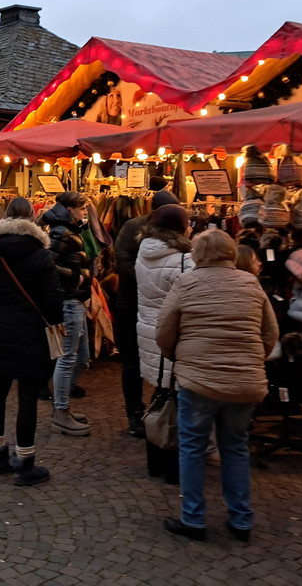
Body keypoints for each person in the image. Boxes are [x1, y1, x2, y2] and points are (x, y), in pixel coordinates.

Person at [156, 230, 279, 542]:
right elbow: (270, 332)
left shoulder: (186, 283)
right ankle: (241, 519)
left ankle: (193, 518)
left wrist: (179, 358)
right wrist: (253, 360)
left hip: (198, 380)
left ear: (197, 255)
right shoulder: (251, 284)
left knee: (192, 448)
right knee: (235, 447)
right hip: (245, 382)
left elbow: (164, 332)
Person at [0, 197, 64, 485]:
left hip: (1, 327)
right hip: (31, 331)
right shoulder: (41, 255)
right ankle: (26, 462)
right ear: (32, 217)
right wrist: (54, 320)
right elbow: (53, 299)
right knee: (27, 396)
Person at [112, 180, 176, 437]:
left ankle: (157, 408)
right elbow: (122, 263)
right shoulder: (133, 228)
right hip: (131, 304)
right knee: (132, 362)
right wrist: (151, 276)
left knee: (164, 360)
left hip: (160, 305)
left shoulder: (174, 231)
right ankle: (134, 413)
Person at [135, 203, 192, 481]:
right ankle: (174, 467)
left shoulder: (144, 250)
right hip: (174, 335)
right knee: (178, 402)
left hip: (149, 331)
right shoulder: (183, 259)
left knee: (160, 396)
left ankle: (155, 459)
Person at [40, 190, 93, 437]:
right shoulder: (61, 231)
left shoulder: (69, 228)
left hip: (75, 299)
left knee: (81, 358)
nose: (85, 212)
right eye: (83, 208)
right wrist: (75, 276)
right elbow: (47, 263)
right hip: (68, 300)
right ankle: (60, 411)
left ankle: (61, 405)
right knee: (68, 357)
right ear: (71, 209)